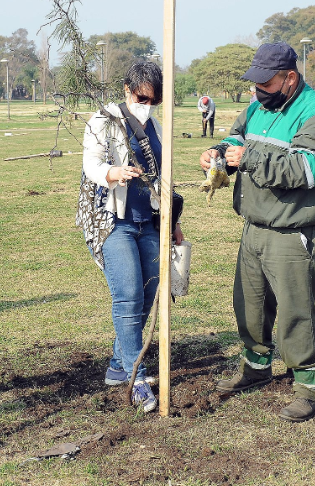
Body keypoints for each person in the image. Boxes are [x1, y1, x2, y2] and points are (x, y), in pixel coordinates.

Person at [199, 42, 315, 423]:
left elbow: (308, 170)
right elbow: (235, 139)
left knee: (295, 311)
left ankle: (308, 388)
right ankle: (256, 369)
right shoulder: (258, 107)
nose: (257, 91)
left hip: (294, 230)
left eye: (265, 83)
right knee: (250, 306)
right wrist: (218, 153)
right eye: (254, 83)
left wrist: (249, 158)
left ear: (290, 78)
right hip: (254, 225)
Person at [78, 61, 184, 413]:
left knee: (150, 293)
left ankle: (117, 364)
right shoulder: (103, 121)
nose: (147, 104)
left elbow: (163, 179)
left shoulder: (155, 125)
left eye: (154, 100)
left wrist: (174, 221)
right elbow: (90, 164)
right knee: (127, 296)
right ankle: (134, 377)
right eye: (142, 97)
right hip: (113, 222)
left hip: (148, 221)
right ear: (127, 89)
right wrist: (112, 172)